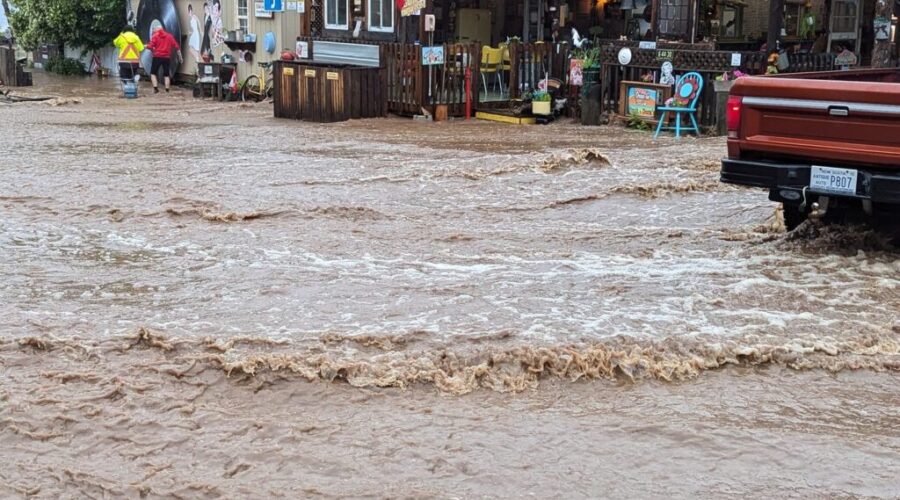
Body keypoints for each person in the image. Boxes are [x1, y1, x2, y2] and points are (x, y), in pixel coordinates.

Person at [145, 25, 181, 93]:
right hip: (166, 58)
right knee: (166, 74)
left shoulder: (155, 36)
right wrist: (180, 56)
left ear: (157, 29)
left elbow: (150, 46)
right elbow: (176, 46)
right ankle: (167, 89)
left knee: (153, 73)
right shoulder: (169, 36)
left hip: (157, 57)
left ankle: (155, 88)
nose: (154, 30)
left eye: (155, 29)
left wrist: (146, 46)